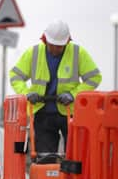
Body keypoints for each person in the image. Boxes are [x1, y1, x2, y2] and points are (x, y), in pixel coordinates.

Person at [9, 20, 101, 154]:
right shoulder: (33, 53)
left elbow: (94, 77)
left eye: (60, 46)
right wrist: (27, 94)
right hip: (43, 113)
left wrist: (73, 94)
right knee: (45, 158)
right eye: (53, 45)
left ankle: (69, 174)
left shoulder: (77, 53)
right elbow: (15, 75)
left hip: (71, 113)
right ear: (45, 40)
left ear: (68, 41)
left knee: (75, 157)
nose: (56, 49)